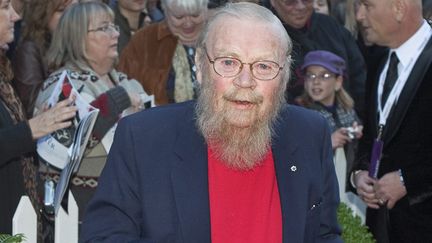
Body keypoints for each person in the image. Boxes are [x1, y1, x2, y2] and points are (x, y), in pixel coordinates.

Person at [81, 3, 342, 242]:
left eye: (263, 66)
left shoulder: (310, 133)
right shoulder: (143, 139)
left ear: (284, 75)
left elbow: (324, 235)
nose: (245, 81)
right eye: (228, 62)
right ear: (200, 66)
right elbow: (104, 237)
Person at [34, 1, 148, 224]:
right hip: (80, 214)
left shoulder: (125, 80)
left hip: (129, 207)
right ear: (78, 37)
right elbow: (62, 153)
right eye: (104, 28)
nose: (115, 33)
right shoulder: (61, 85)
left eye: (114, 26)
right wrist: (117, 101)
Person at [352, 0, 432, 242]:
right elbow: (373, 133)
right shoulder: (377, 57)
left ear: (399, 8)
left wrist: (409, 180)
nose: (359, 15)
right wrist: (359, 172)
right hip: (382, 226)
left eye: (367, 5)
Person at [0, 0, 78, 234]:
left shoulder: (4, 71)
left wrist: (34, 124)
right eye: (4, 7)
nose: (15, 16)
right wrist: (31, 129)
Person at [269, 0, 366, 119]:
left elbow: (360, 78)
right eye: (290, 2)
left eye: (307, 0)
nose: (300, 7)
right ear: (273, 2)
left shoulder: (332, 28)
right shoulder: (266, 35)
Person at [118, 0, 208, 105]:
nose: (188, 23)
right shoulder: (144, 41)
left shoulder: (219, 36)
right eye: (179, 17)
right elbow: (125, 87)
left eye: (195, 15)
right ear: (166, 13)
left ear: (205, 10)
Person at [298, 50, 362, 188]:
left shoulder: (347, 109)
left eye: (325, 76)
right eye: (311, 75)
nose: (316, 81)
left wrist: (359, 132)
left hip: (348, 183)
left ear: (338, 82)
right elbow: (296, 154)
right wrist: (328, 143)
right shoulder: (299, 114)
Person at [12, 0, 77, 118]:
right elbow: (32, 108)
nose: (70, 17)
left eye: (74, 10)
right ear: (42, 15)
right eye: (61, 10)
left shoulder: (79, 44)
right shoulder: (29, 51)